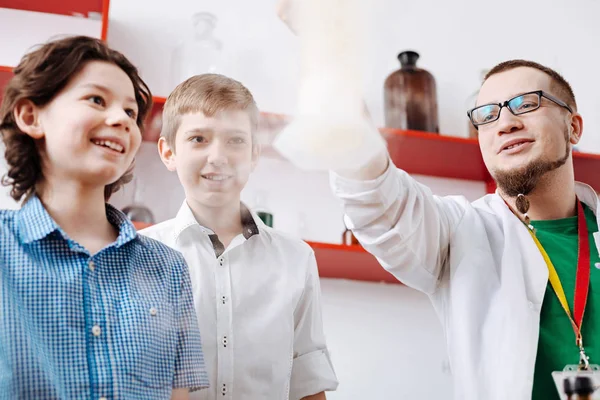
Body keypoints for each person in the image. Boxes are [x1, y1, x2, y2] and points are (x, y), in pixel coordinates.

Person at [328, 59, 600, 399]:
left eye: (527, 104)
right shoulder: (459, 233)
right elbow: (379, 198)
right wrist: (328, 48)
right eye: (487, 115)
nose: (505, 123)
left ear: (573, 127)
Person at [0, 36, 208, 400]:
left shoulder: (170, 268)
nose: (121, 120)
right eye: (97, 100)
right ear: (31, 116)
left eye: (131, 112)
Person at [140, 73, 338, 400]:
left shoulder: (296, 259)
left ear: (254, 154)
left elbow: (307, 383)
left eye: (235, 140)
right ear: (168, 152)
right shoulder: (139, 255)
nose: (218, 156)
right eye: (198, 139)